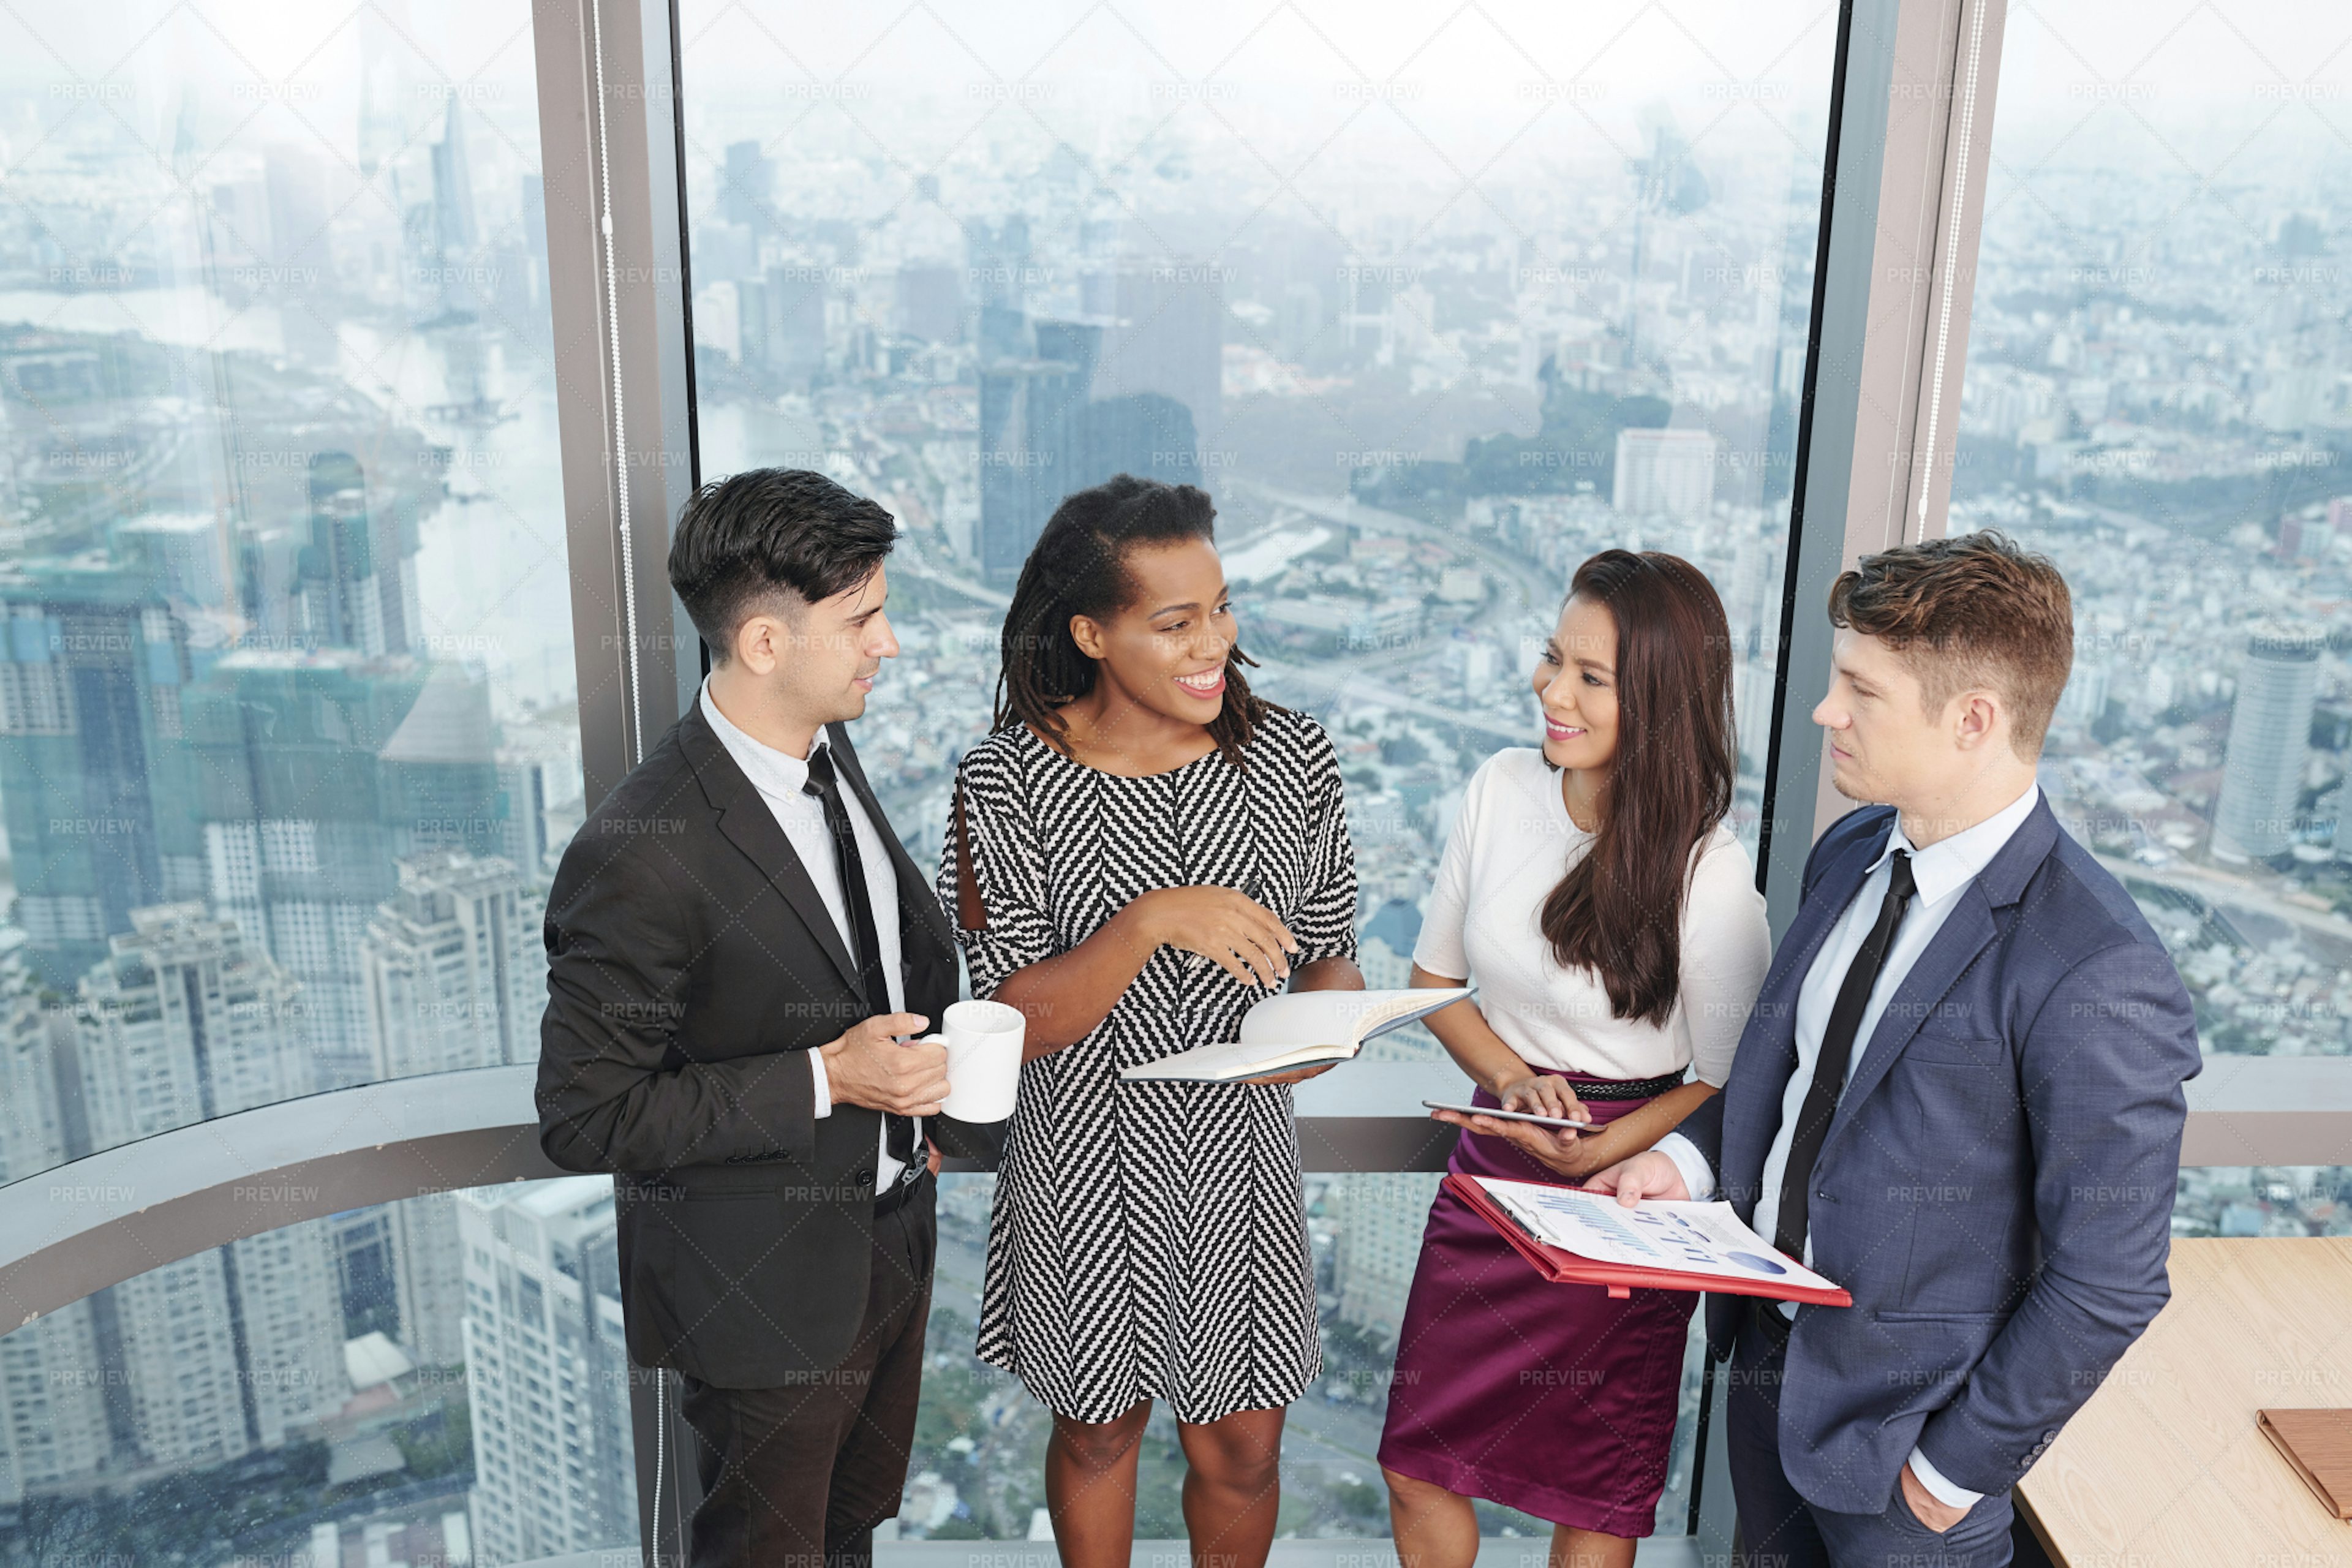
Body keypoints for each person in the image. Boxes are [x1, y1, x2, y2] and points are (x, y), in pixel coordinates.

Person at [1589, 532, 2201, 1568]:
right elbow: (1789, 1084)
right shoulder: (1854, 851)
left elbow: (2111, 1275)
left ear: (1974, 720)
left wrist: (1952, 1472)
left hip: (1909, 1456)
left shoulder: (2095, 966)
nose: (1827, 713)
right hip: (1764, 1373)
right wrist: (1682, 1160)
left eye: (1861, 691)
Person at [537, 469, 1003, 1568]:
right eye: (864, 621)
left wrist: (922, 1119)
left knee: (848, 1540)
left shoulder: (823, 756)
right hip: (762, 1296)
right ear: (762, 644)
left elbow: (877, 962)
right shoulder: (639, 852)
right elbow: (587, 1114)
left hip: (887, 1243)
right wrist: (831, 1081)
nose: (887, 645)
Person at [939, 474, 1363, 1568]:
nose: (1212, 642)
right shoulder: (1004, 780)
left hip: (1240, 1163)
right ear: (1091, 632)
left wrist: (1316, 1037)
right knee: (1094, 1439)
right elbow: (1010, 1019)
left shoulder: (1292, 759)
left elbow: (1331, 962)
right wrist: (1150, 923)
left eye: (1219, 608)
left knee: (1246, 1453)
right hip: (1081, 1163)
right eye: (1175, 622)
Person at [1376, 551, 1773, 1567]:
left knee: (1592, 1493)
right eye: (1554, 660)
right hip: (1497, 1168)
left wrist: (1601, 1155)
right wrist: (1510, 1078)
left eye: (1590, 678)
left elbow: (1727, 1087)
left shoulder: (1711, 875)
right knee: (1417, 1462)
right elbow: (1432, 984)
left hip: (1631, 1193)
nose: (1551, 691)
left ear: (1660, 698)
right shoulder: (1501, 787)